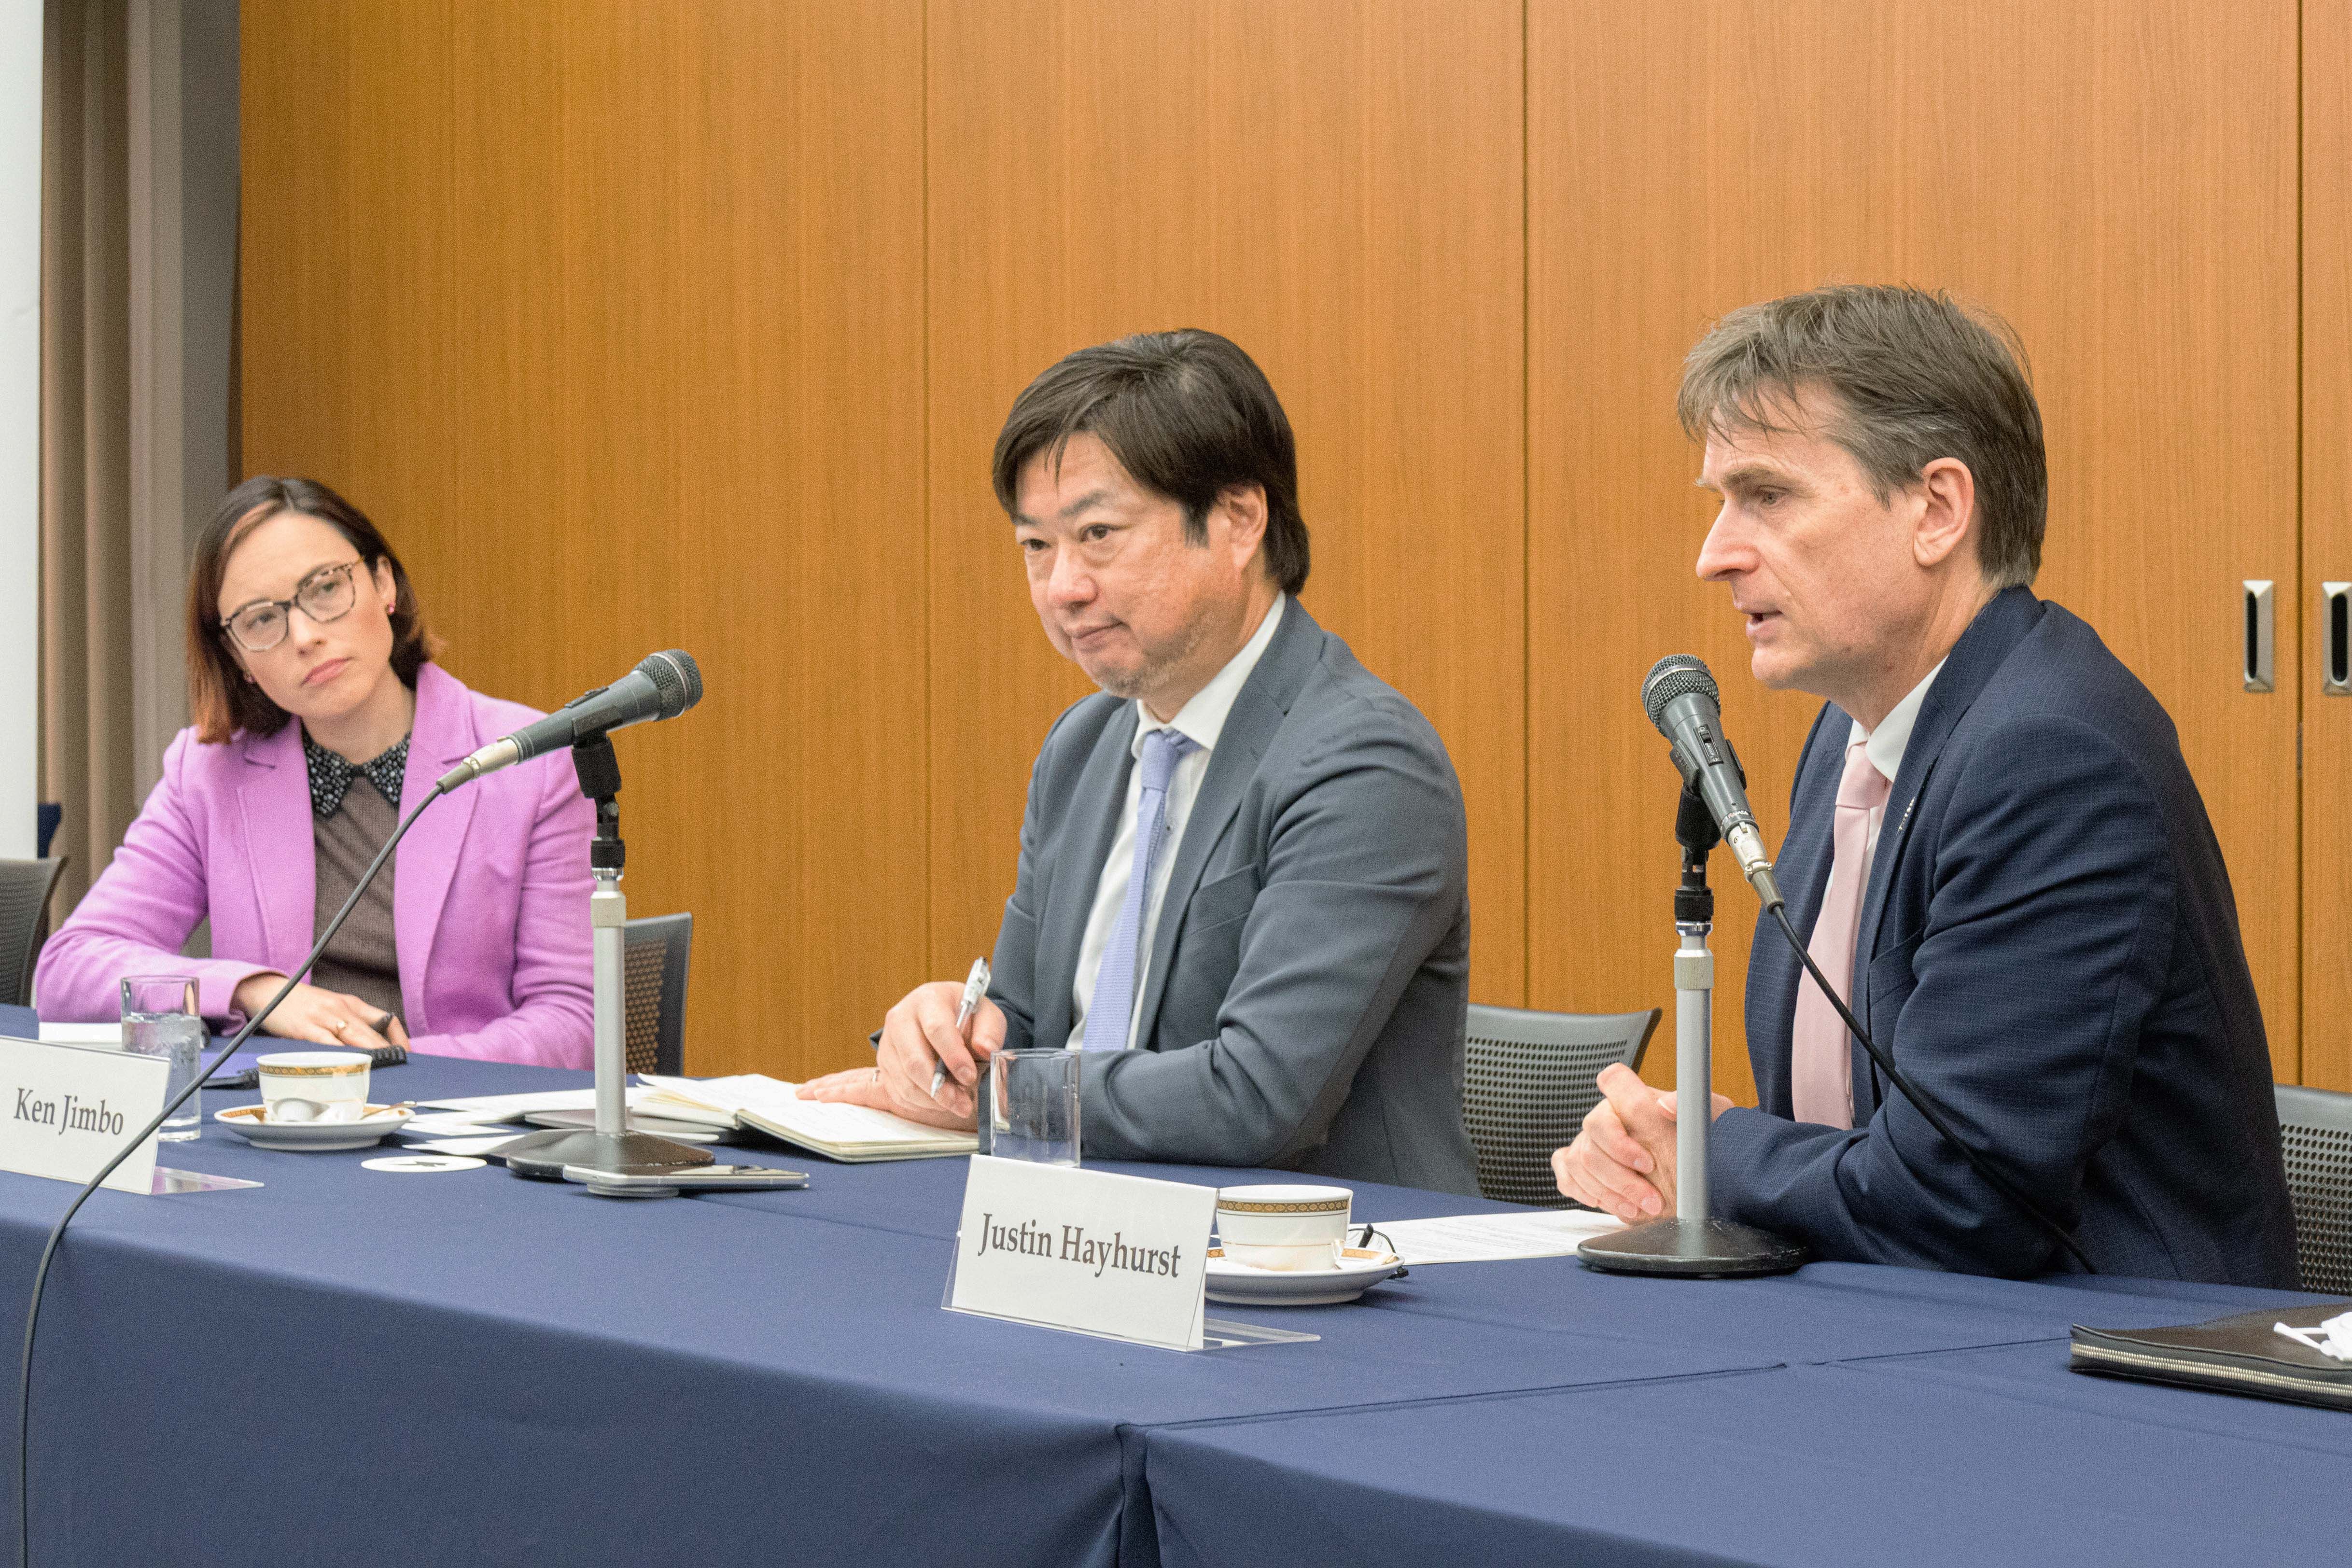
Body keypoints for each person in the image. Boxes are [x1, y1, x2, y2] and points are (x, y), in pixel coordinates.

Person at [1554, 285, 2297, 1284]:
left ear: (1937, 510)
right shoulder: (1852, 732)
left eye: (1768, 496)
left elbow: (1957, 1195)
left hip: (2114, 1354)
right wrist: (1666, 1149)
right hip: (1901, 1326)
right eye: (1720, 502)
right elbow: (1849, 1138)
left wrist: (1715, 1153)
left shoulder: (2052, 757)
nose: (1713, 555)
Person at [806, 330, 1480, 1193]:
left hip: (1331, 1252)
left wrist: (1004, 1097)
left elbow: (1257, 1099)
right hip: (1089, 1231)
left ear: (1238, 521)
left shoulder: (1364, 763)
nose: (1063, 587)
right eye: (1036, 546)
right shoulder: (1083, 747)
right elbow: (1026, 1026)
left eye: (1098, 534)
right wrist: (946, 1043)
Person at [34, 476, 595, 1067]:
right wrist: (255, 991)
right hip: (276, 1113)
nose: (305, 636)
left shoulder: (530, 760)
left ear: (383, 584)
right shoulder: (208, 772)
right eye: (260, 620)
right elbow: (68, 969)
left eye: (325, 588)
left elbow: (573, 1022)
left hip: (456, 1110)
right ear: (237, 658)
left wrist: (385, 1068)